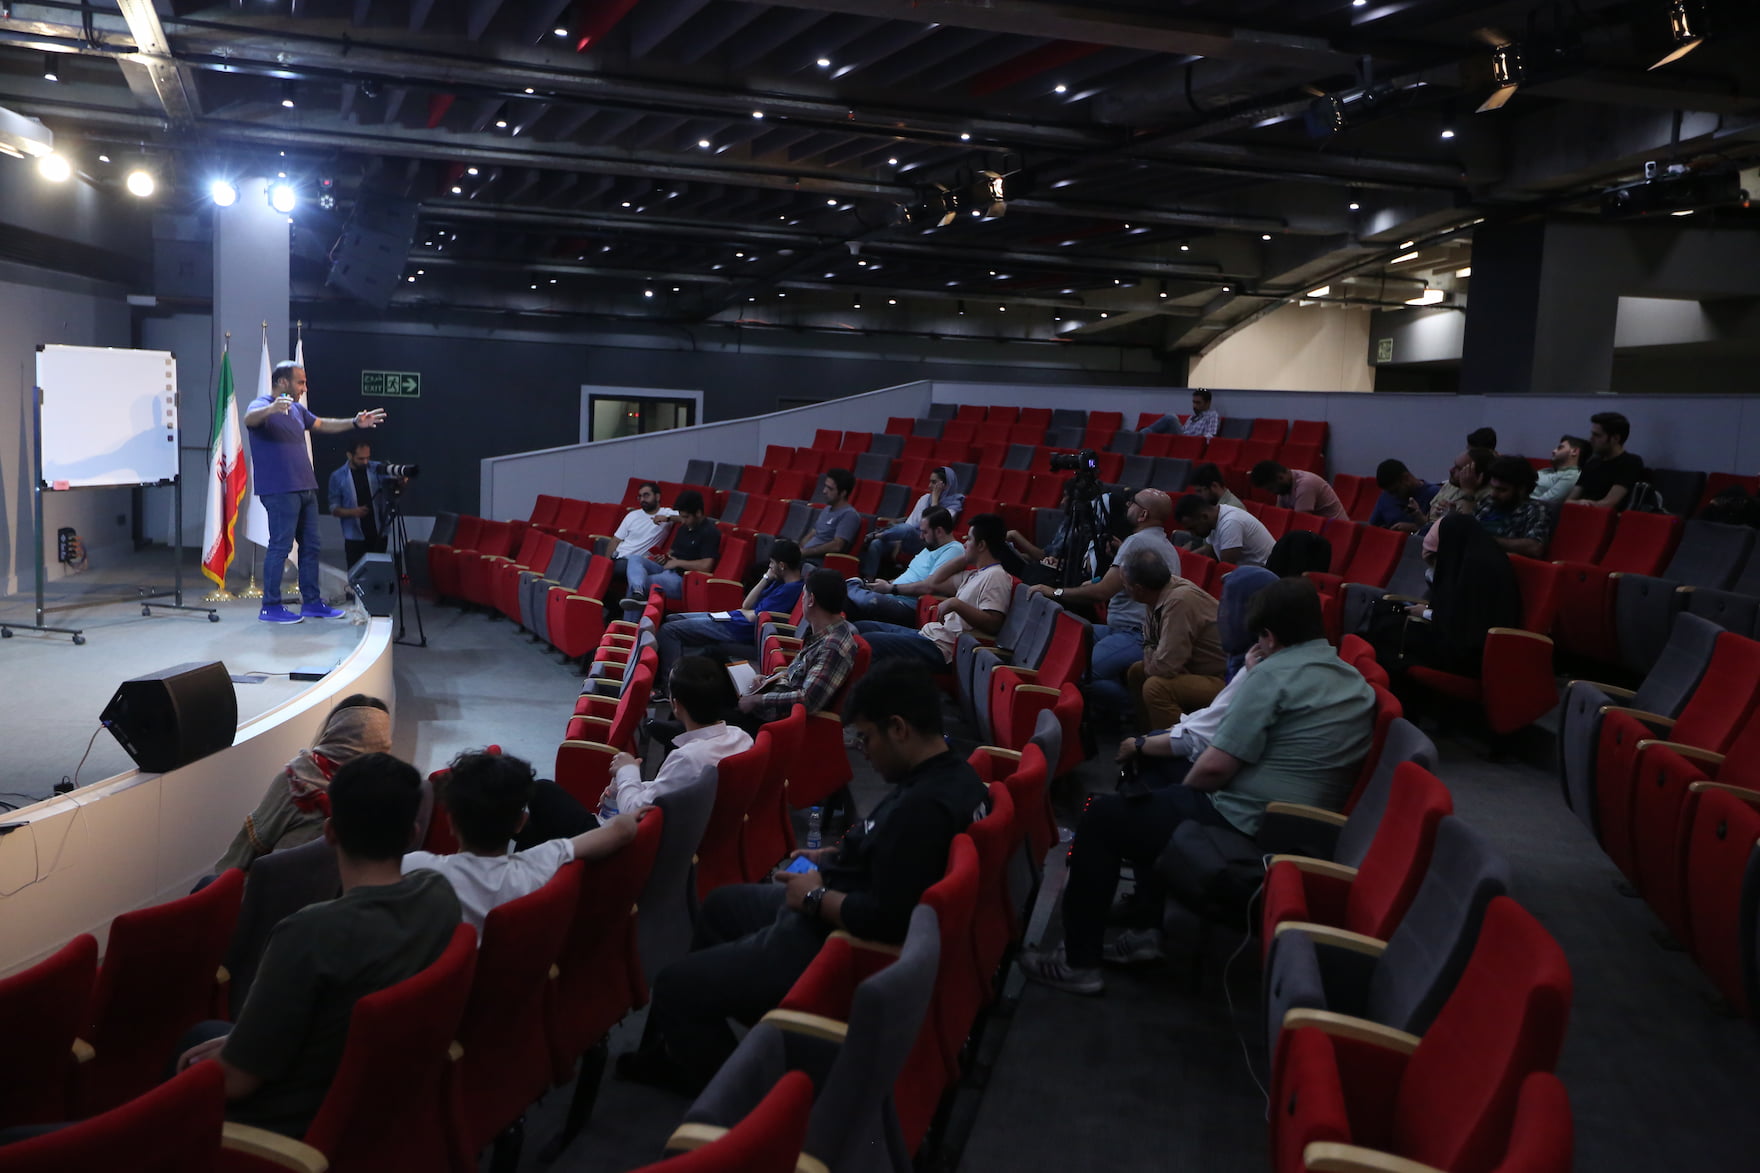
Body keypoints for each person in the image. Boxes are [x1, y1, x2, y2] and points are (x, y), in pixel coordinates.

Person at [616, 662, 989, 1092]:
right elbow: (894, 857)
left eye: (866, 738)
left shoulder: (923, 810)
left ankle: (735, 1096)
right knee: (720, 906)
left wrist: (814, 897)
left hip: (826, 934)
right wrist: (832, 856)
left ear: (899, 729)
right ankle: (691, 1041)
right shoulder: (955, 776)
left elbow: (886, 917)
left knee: (673, 986)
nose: (863, 752)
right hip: (832, 890)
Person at [1017, 578, 1375, 994]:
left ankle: (1078, 963)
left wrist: (1177, 798)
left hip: (1246, 823)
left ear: (1269, 636)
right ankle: (1147, 928)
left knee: (1100, 816)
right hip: (1301, 830)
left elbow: (1213, 770)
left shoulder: (1272, 676)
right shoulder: (1352, 680)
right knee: (1150, 783)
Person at [174, 753, 460, 1136]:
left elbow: (236, 1082)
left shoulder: (308, 932)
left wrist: (203, 1067)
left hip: (292, 1123)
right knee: (206, 1034)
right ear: (412, 833)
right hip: (376, 1098)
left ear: (329, 833)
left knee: (185, 1058)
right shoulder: (439, 896)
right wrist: (241, 1040)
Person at [403, 750, 646, 933]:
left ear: (451, 821)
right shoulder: (543, 863)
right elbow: (623, 829)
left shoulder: (418, 869)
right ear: (520, 823)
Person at [244, 360, 385, 624]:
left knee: (311, 547)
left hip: (306, 488)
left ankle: (311, 603)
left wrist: (355, 422)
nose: (304, 388)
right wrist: (272, 409)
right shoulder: (261, 404)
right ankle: (270, 607)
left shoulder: (298, 409)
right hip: (280, 490)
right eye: (301, 382)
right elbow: (249, 419)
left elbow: (322, 424)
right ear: (283, 382)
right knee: (280, 546)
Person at [1032, 490, 1181, 715]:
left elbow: (1102, 592)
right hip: (1123, 629)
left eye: (1133, 503)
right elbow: (1117, 582)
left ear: (1143, 514)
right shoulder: (1163, 545)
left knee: (1079, 671)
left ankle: (1137, 708)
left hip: (1136, 634)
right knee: (1064, 640)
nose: (1128, 505)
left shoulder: (1137, 542)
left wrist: (1054, 592)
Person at [215, 695, 393, 872]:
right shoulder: (389, 790)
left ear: (334, 731)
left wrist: (217, 882)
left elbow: (251, 844)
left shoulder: (298, 780)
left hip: (278, 885)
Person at [855, 513, 1015, 672]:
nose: (965, 544)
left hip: (942, 648)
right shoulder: (975, 574)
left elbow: (994, 623)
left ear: (981, 545)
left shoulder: (996, 576)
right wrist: (965, 557)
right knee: (861, 627)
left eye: (969, 540)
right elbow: (934, 582)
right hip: (930, 635)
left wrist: (956, 604)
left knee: (868, 641)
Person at [1371, 513, 1522, 679]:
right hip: (1451, 636)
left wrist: (1425, 613)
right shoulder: (1471, 560)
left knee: (1386, 633)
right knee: (1383, 618)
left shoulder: (1481, 571)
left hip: (1467, 654)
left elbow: (1465, 625)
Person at [655, 540, 805, 684]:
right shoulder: (778, 581)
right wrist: (766, 578)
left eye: (772, 563)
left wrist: (746, 612)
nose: (770, 567)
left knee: (668, 631)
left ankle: (670, 685)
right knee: (672, 618)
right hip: (732, 618)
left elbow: (753, 617)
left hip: (738, 629)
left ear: (782, 565)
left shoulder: (790, 590)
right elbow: (746, 605)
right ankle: (679, 673)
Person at [1118, 550, 1227, 732]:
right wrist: (1154, 654)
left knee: (1155, 687)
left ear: (1138, 589)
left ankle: (1174, 745)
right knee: (1136, 672)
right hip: (1193, 669)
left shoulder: (1179, 601)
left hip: (1223, 679)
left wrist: (1154, 655)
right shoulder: (1155, 595)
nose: (1123, 588)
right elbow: (1150, 643)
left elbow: (1165, 666)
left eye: (1124, 584)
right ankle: (1147, 736)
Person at [735, 569, 861, 726]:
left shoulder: (833, 647)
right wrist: (768, 680)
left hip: (777, 721)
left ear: (811, 600)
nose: (802, 600)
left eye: (804, 595)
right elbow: (798, 673)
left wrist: (758, 699)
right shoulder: (822, 633)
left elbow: (807, 699)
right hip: (772, 702)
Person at [847, 507, 964, 625]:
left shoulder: (954, 550)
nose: (921, 537)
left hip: (910, 607)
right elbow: (911, 576)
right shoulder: (931, 546)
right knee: (846, 602)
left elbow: (929, 587)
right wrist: (886, 584)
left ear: (939, 531)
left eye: (925, 532)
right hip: (893, 596)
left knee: (865, 600)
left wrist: (890, 588)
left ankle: (852, 587)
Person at [624, 489, 720, 619]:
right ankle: (638, 593)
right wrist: (664, 558)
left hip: (682, 579)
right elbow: (672, 552)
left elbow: (706, 566)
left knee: (641, 582)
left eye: (686, 517)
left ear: (698, 513)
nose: (683, 521)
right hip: (668, 568)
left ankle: (629, 625)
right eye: (681, 517)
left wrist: (678, 562)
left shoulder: (709, 532)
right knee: (635, 559)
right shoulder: (684, 528)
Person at [861, 466, 964, 578]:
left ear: (946, 485)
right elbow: (910, 523)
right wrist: (899, 543)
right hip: (908, 538)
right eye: (930, 482)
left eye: (934, 483)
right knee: (876, 544)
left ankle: (877, 535)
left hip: (928, 542)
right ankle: (868, 580)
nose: (929, 486)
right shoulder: (925, 499)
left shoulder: (954, 505)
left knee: (907, 530)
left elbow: (934, 523)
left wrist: (935, 499)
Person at [326, 438, 401, 570]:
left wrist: (401, 481)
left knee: (377, 571)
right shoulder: (338, 477)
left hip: (379, 532)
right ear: (350, 455)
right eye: (361, 458)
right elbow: (334, 508)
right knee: (356, 573)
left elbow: (394, 488)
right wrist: (353, 512)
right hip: (354, 536)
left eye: (367, 457)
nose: (365, 462)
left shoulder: (377, 468)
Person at [604, 482, 678, 600]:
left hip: (635, 562)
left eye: (646, 495)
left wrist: (668, 518)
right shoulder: (632, 515)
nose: (642, 499)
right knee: (596, 569)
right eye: (640, 496)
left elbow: (687, 517)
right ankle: (615, 607)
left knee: (603, 575)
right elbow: (615, 540)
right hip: (618, 557)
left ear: (657, 497)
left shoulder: (666, 513)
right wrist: (606, 562)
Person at [1422, 447, 1494, 558]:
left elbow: (1469, 535)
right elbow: (1428, 520)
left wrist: (1468, 491)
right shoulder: (1450, 485)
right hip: (1426, 540)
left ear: (1479, 476)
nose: (1450, 470)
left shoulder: (1490, 496)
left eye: (1459, 469)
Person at [1475, 455, 1552, 559]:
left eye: (1502, 490)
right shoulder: (1488, 502)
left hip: (1498, 560)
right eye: (1492, 488)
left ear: (1521, 490)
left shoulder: (1535, 509)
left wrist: (1485, 540)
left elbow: (1535, 547)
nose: (1493, 494)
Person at [1173, 493, 1275, 567]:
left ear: (1204, 517)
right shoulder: (1213, 519)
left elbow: (1226, 568)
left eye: (1193, 528)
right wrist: (1182, 560)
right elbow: (1210, 552)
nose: (1193, 534)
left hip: (1266, 573)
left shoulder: (1230, 522)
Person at [1570, 412, 1642, 510]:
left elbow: (1608, 504)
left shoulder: (1630, 462)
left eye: (1597, 435)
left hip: (1603, 517)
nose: (1591, 439)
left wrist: (1581, 504)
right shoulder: (1592, 463)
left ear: (1615, 439)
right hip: (1581, 512)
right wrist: (1579, 503)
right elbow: (1569, 499)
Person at [1250, 461, 1349, 521]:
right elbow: (1280, 514)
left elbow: (1301, 521)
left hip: (1334, 529)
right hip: (1317, 527)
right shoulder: (1284, 485)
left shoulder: (1305, 485)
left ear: (1280, 477)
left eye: (1271, 488)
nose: (1272, 493)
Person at [799, 468, 861, 562]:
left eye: (830, 488)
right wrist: (798, 551)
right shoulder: (826, 509)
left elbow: (837, 546)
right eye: (825, 486)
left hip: (816, 562)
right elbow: (813, 533)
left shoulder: (849, 515)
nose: (824, 491)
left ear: (843, 493)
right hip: (804, 558)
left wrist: (805, 552)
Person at [1368, 459, 1439, 532]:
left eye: (1396, 491)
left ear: (1406, 478)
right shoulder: (1386, 496)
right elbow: (1372, 527)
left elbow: (1440, 531)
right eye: (1390, 493)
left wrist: (1414, 528)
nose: (1393, 496)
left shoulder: (1435, 494)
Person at [1534, 434, 1586, 504]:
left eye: (1560, 448)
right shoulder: (1548, 470)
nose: (1553, 451)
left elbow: (1545, 502)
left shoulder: (1571, 475)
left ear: (1574, 451)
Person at [1147, 389, 1219, 438]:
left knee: (1171, 418)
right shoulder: (1193, 417)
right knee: (1163, 429)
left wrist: (1198, 440)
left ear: (1207, 403)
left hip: (1191, 441)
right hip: (1182, 437)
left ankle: (1142, 435)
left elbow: (1210, 435)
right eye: (1194, 402)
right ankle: (1144, 437)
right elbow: (1184, 430)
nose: (1194, 406)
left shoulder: (1212, 415)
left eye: (1198, 403)